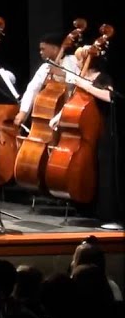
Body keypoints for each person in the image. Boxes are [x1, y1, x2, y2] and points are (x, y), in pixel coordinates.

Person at [56, 45, 118, 224]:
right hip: (85, 130)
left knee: (104, 171)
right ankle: (86, 207)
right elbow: (75, 101)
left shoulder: (102, 77)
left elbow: (109, 96)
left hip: (101, 128)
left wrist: (86, 85)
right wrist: (59, 116)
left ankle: (108, 214)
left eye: (80, 59)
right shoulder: (82, 76)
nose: (78, 62)